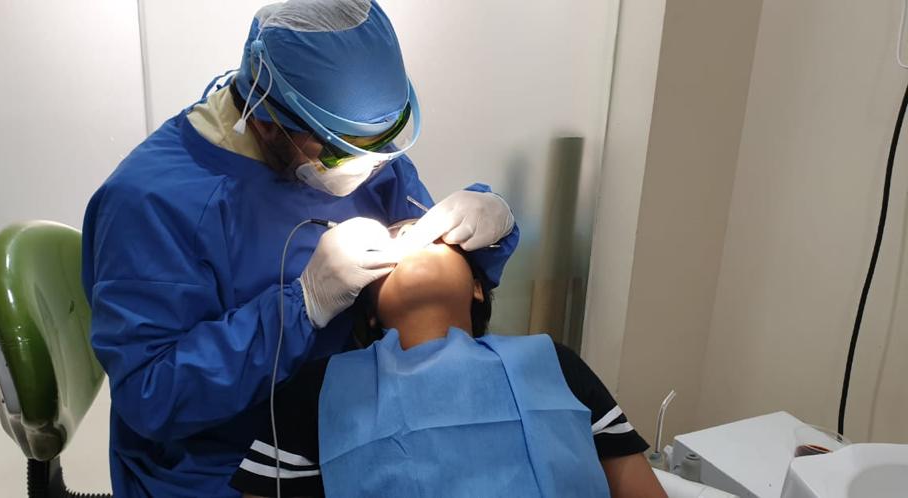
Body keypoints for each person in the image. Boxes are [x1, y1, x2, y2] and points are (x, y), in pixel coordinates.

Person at [81, 1, 518, 496]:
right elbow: (152, 395)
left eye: (385, 141)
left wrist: (487, 230)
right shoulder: (151, 203)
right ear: (267, 120)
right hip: (222, 464)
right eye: (339, 150)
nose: (369, 165)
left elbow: (443, 272)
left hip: (358, 424)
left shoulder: (367, 152)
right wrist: (301, 306)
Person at [229, 222, 667, 497]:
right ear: (370, 310)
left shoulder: (552, 362)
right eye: (395, 240)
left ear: (477, 287)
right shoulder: (318, 391)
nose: (413, 239)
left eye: (434, 236)